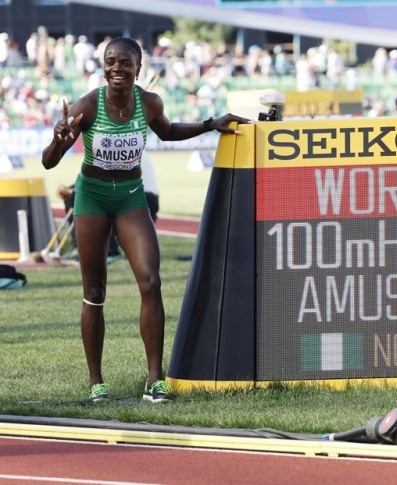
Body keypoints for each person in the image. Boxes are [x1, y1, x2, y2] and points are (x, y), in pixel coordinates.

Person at [41, 37, 251, 404]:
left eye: (125, 62)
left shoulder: (149, 103)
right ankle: (96, 383)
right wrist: (58, 141)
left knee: (151, 282)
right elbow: (49, 162)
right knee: (94, 292)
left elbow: (167, 132)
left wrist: (210, 123)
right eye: (110, 61)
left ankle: (155, 380)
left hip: (130, 196)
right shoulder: (88, 105)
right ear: (102, 66)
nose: (117, 68)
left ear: (138, 68)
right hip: (92, 196)